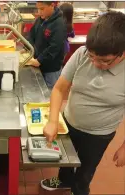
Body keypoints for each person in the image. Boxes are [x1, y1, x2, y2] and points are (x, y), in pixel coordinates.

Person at [41, 11, 125, 195]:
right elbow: (58, 89)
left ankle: (79, 190)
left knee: (86, 170)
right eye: (92, 57)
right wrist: (53, 121)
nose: (95, 63)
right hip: (69, 122)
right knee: (64, 159)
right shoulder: (81, 54)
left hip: (99, 134)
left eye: (105, 61)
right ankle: (63, 181)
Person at [27, 1, 67, 90]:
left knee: (50, 96)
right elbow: (31, 35)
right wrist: (27, 48)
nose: (39, 11)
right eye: (38, 8)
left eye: (42, 9)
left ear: (52, 5)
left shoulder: (58, 24)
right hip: (38, 65)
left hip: (51, 70)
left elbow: (54, 47)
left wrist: (39, 60)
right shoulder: (40, 20)